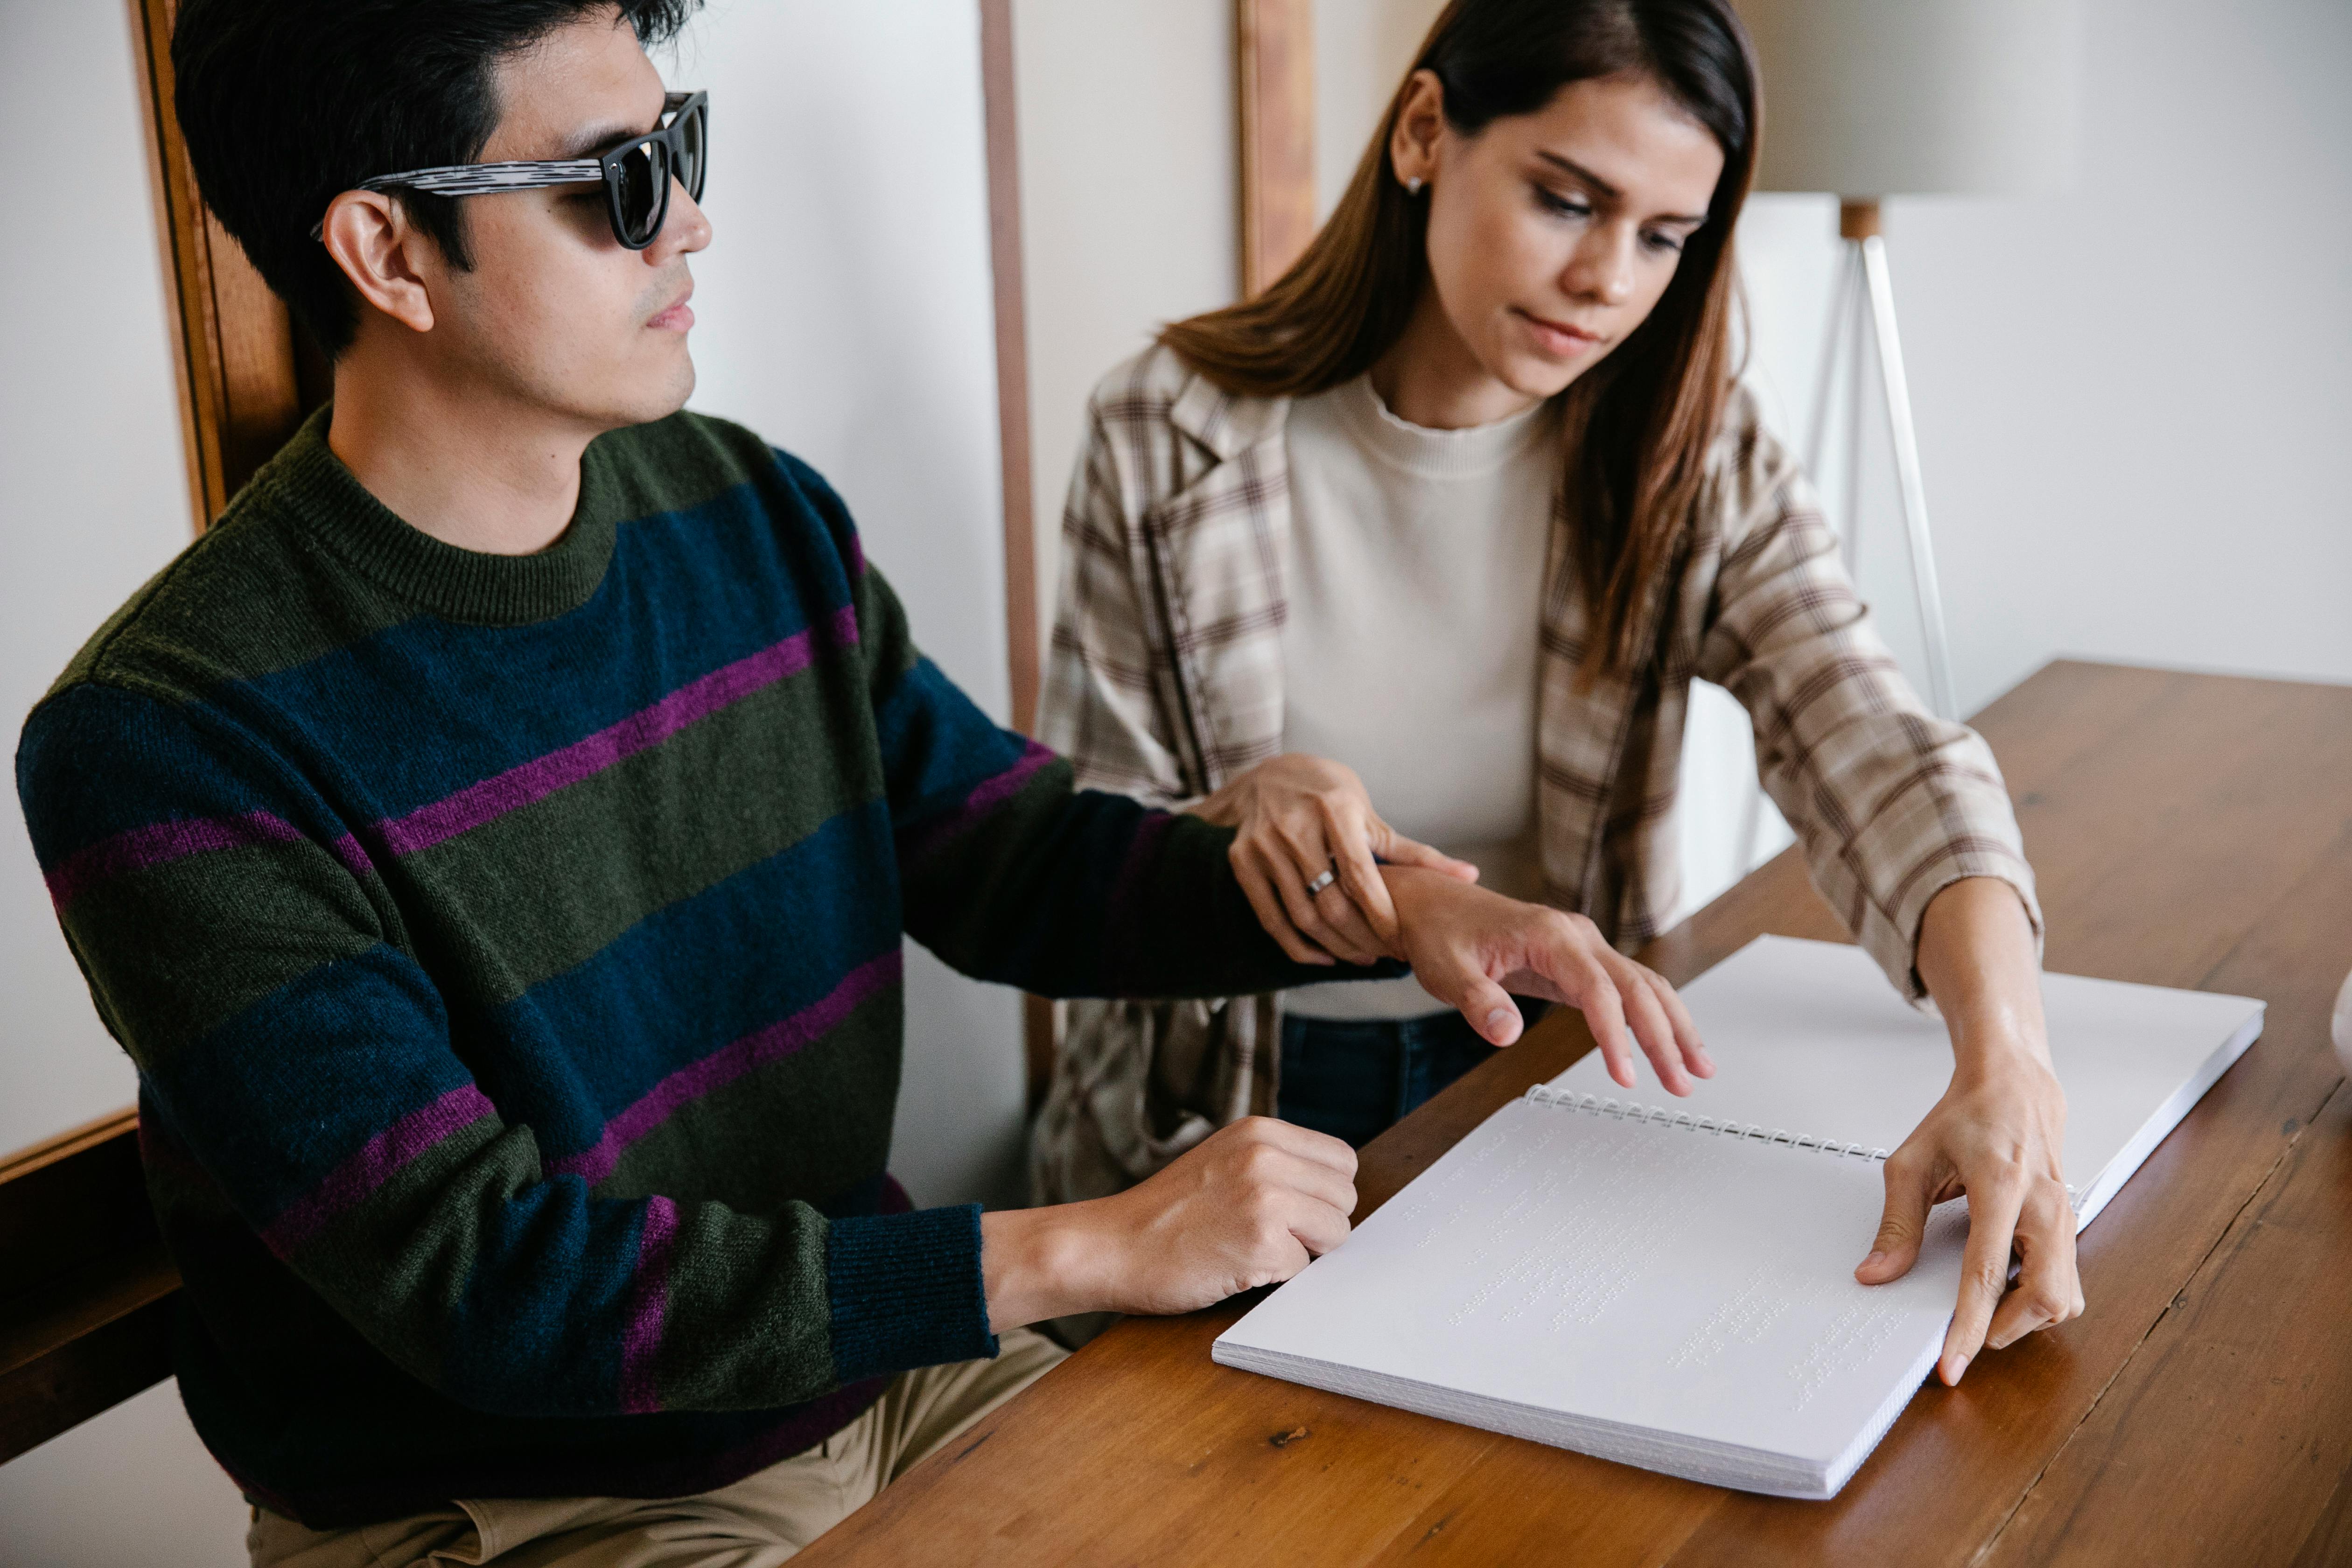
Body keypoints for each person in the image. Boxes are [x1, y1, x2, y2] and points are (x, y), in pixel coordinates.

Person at [13, 1, 1718, 1561]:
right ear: (388, 247)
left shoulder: (742, 512)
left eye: (679, 147)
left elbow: (1010, 852)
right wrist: (1085, 1247)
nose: (688, 221)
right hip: (520, 1503)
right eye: (616, 183)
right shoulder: (171, 742)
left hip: (875, 1388)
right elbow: (485, 1283)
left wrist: (1409, 914)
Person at [1034, 0, 2082, 1390]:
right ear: (1425, 134)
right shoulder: (1164, 432)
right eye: (1566, 199)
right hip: (1228, 1113)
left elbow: (1872, 741)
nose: (1606, 279)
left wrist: (2005, 1054)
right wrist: (1262, 826)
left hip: (1543, 1087)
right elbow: (1077, 847)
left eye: (1662, 237)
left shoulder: (1685, 455)